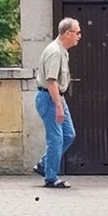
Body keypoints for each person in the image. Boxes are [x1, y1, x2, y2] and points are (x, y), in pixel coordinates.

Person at [32, 17, 82, 189]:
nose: (79, 36)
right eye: (77, 32)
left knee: (69, 134)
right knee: (56, 139)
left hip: (56, 97)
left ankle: (44, 165)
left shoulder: (62, 51)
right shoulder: (54, 52)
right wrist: (58, 106)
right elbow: (51, 81)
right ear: (67, 33)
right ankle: (51, 177)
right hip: (49, 98)